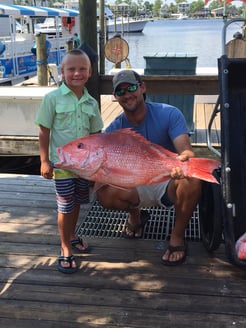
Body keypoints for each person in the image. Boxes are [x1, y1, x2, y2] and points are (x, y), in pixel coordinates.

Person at [96, 69, 201, 266]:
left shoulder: (169, 113)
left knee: (192, 176)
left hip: (166, 181)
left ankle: (177, 237)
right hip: (136, 184)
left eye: (132, 88)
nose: (127, 95)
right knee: (103, 191)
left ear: (142, 87)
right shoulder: (113, 130)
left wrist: (183, 162)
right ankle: (136, 216)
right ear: (115, 97)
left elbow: (186, 152)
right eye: (121, 92)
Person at [35, 49, 103, 273]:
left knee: (77, 203)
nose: (77, 73)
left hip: (84, 168)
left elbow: (96, 138)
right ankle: (65, 248)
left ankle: (72, 235)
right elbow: (44, 130)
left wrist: (97, 168)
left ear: (90, 72)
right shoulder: (52, 99)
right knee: (65, 206)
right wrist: (45, 161)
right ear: (62, 72)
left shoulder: (92, 103)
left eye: (82, 69)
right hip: (63, 166)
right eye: (71, 69)